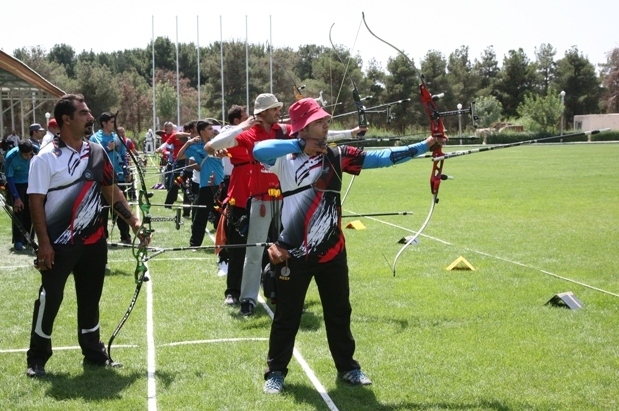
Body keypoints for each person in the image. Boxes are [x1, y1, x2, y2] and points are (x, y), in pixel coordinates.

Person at [252, 97, 447, 394]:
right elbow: (258, 149)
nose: (327, 124)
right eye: (319, 121)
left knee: (339, 313)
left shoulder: (338, 154)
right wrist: (298, 146)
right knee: (287, 316)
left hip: (332, 251)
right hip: (293, 252)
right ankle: (275, 373)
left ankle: (348, 368)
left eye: (327, 120)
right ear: (303, 127)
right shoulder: (284, 159)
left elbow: (384, 157)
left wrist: (425, 145)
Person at [207, 93, 366, 316]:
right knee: (254, 251)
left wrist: (350, 133)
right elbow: (213, 145)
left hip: (286, 199)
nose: (278, 112)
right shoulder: (249, 134)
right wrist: (243, 125)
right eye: (273, 109)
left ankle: (287, 296)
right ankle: (248, 299)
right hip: (262, 199)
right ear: (261, 113)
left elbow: (315, 136)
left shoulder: (282, 131)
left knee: (290, 250)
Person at [25, 94, 144, 378]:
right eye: (83, 113)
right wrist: (44, 244)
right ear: (66, 119)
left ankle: (93, 352)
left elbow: (110, 190)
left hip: (93, 241)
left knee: (90, 299)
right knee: (49, 297)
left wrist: (134, 221)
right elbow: (35, 202)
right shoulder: (45, 158)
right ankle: (37, 358)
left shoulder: (96, 152)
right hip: (59, 244)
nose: (90, 117)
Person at [177, 120, 224, 247]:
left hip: (221, 183)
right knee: (201, 216)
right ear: (202, 132)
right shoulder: (195, 148)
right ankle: (195, 244)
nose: (212, 130)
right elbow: (179, 156)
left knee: (223, 214)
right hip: (206, 185)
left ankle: (225, 243)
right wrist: (188, 142)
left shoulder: (218, 142)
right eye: (209, 129)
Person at [90, 112, 132, 244]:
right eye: (112, 122)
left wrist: (127, 171)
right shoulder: (95, 138)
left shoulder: (117, 137)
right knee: (103, 209)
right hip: (103, 179)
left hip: (118, 177)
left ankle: (125, 236)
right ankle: (103, 237)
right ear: (104, 123)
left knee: (122, 208)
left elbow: (123, 154)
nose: (115, 125)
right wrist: (108, 148)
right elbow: (94, 156)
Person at [5, 140, 35, 250]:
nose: (28, 157)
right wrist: (16, 197)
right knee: (19, 211)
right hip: (16, 185)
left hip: (31, 182)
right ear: (19, 152)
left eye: (30, 154)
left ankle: (29, 239)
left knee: (31, 211)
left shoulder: (35, 151)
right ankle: (18, 240)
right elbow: (9, 178)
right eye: (25, 155)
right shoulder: (11, 157)